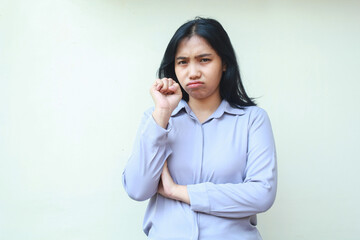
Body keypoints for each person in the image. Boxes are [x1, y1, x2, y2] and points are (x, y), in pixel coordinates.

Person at [122, 17, 277, 240]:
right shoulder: (156, 118)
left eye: (204, 60)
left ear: (224, 63)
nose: (192, 72)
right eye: (182, 62)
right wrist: (163, 113)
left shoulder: (252, 119)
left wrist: (179, 191)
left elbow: (262, 194)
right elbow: (137, 189)